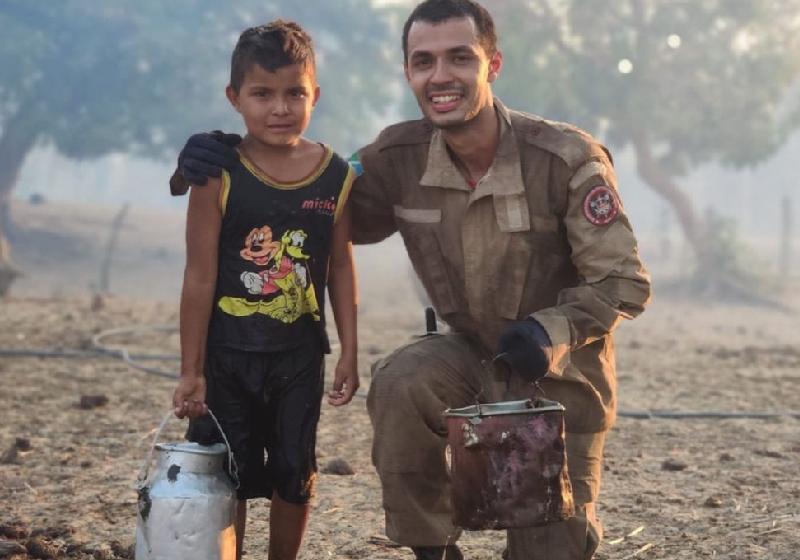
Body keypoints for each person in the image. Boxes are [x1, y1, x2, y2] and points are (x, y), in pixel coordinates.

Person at [171, 1, 651, 559]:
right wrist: (201, 165)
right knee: (401, 380)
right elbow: (304, 193)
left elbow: (624, 282)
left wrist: (551, 332)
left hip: (558, 381)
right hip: (472, 358)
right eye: (423, 61)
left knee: (550, 549)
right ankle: (432, 549)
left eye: (459, 58)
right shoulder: (396, 157)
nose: (440, 76)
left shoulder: (565, 158)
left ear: (492, 65)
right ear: (408, 73)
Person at [171, 20, 359, 560]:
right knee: (223, 473)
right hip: (227, 356)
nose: (280, 108)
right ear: (235, 98)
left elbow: (340, 267)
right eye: (262, 94)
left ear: (315, 95)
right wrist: (192, 368)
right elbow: (200, 276)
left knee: (294, 471)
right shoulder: (216, 174)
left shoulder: (336, 176)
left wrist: (349, 348)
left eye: (294, 93)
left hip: (300, 357)